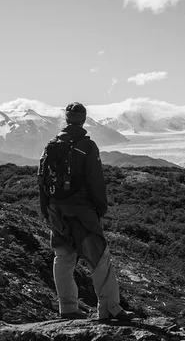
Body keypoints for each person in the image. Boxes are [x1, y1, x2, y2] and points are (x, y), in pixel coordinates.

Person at [38, 102, 134, 321]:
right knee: (99, 257)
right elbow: (95, 181)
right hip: (81, 211)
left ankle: (67, 308)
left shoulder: (50, 146)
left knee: (63, 256)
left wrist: (46, 209)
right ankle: (109, 309)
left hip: (56, 209)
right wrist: (101, 208)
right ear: (83, 120)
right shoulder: (87, 146)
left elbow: (41, 180)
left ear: (65, 119)